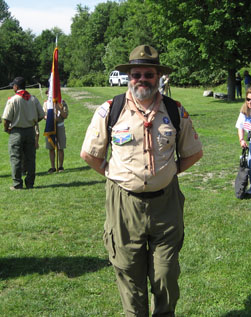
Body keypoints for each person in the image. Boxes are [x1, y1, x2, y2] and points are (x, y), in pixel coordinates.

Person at [80, 44, 203, 316]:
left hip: (166, 204)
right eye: (136, 74)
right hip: (124, 205)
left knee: (166, 274)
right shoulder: (111, 109)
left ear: (158, 77)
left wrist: (167, 173)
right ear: (129, 77)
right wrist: (116, 176)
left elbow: (194, 153)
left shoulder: (174, 110)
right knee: (128, 274)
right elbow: (89, 154)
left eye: (149, 74)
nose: (142, 80)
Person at [2, 77, 45, 190]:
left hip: (16, 131)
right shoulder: (33, 99)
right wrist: (33, 121)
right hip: (30, 131)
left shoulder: (13, 100)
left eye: (13, 86)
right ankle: (30, 183)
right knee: (30, 158)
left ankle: (17, 184)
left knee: (16, 158)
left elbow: (6, 119)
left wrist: (7, 129)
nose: (12, 87)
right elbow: (41, 115)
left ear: (16, 87)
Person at [43, 90, 68, 173]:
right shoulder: (46, 104)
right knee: (51, 147)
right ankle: (52, 167)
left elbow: (65, 116)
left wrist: (59, 109)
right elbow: (44, 115)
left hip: (59, 126)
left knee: (60, 147)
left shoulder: (62, 103)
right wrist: (48, 117)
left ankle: (60, 166)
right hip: (50, 126)